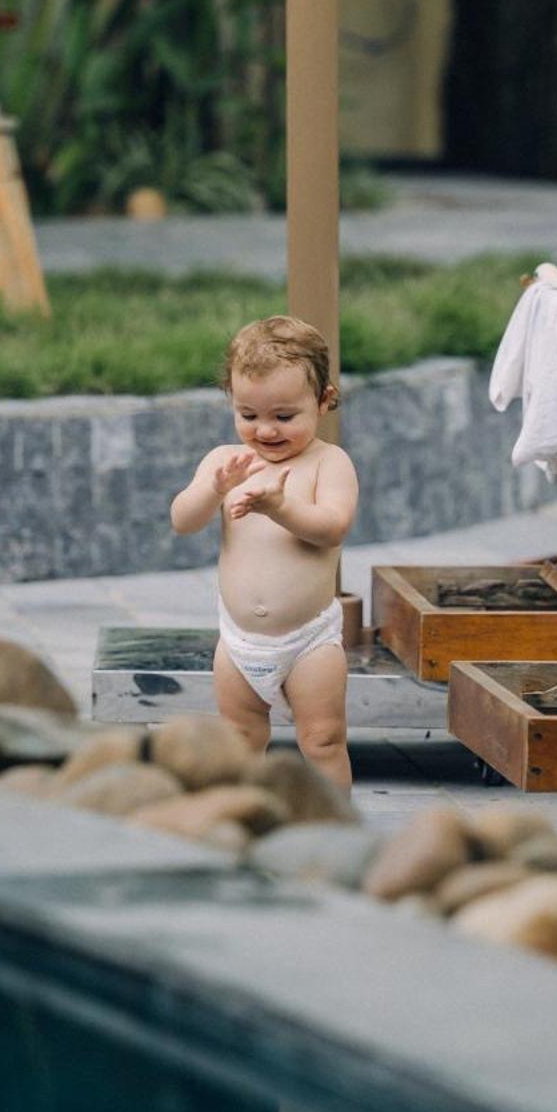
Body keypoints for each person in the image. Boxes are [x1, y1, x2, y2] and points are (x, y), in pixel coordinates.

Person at [169, 316, 358, 789]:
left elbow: (332, 528)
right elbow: (182, 521)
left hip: (309, 642)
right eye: (248, 415)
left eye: (284, 416)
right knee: (239, 737)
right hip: (238, 643)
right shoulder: (224, 463)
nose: (266, 430)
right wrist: (212, 491)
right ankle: (242, 812)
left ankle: (333, 824)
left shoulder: (328, 463)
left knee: (323, 739)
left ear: (324, 401)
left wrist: (281, 507)